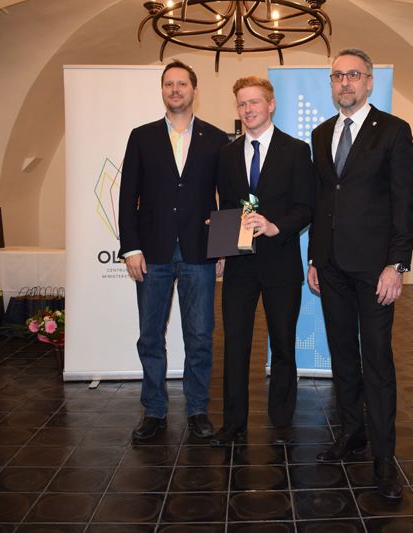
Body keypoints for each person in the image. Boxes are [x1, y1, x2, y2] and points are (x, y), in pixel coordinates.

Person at [307, 48, 413, 501]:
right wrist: (314, 258)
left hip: (375, 269)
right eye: (338, 76)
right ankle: (353, 434)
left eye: (353, 75)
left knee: (376, 361)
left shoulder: (393, 130)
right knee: (342, 357)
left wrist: (397, 264)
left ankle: (385, 460)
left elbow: (405, 202)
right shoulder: (320, 133)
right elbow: (321, 200)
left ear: (369, 81)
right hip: (331, 265)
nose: (345, 83)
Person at [118, 60, 228, 442]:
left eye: (182, 83)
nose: (175, 89)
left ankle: (197, 409)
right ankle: (154, 410)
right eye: (169, 84)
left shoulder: (217, 138)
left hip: (200, 252)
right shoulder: (141, 137)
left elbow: (228, 196)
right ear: (162, 90)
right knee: (150, 336)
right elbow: (127, 196)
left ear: (194, 90)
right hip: (152, 252)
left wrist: (224, 249)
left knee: (200, 337)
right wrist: (130, 247)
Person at [211, 76, 316, 446]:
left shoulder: (296, 150)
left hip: (280, 262)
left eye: (254, 102)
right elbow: (226, 206)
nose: (248, 109)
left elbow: (306, 207)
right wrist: (220, 246)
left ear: (271, 105)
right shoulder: (227, 153)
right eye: (242, 103)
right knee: (235, 344)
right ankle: (233, 424)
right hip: (239, 264)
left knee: (283, 345)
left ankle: (281, 423)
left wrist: (275, 226)